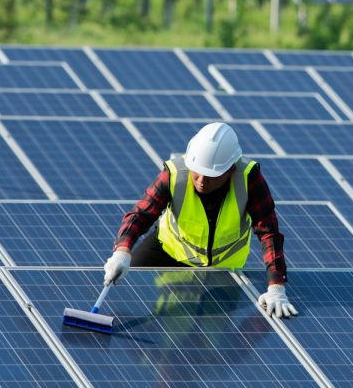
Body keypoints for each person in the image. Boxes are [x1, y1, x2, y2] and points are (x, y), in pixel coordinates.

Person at [102, 121, 297, 318]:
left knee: (206, 334)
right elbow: (141, 214)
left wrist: (276, 287)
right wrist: (122, 251)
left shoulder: (248, 179)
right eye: (198, 173)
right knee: (125, 282)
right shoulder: (175, 173)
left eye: (212, 175)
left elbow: (269, 231)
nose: (202, 181)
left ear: (231, 170)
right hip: (168, 251)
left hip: (223, 268)